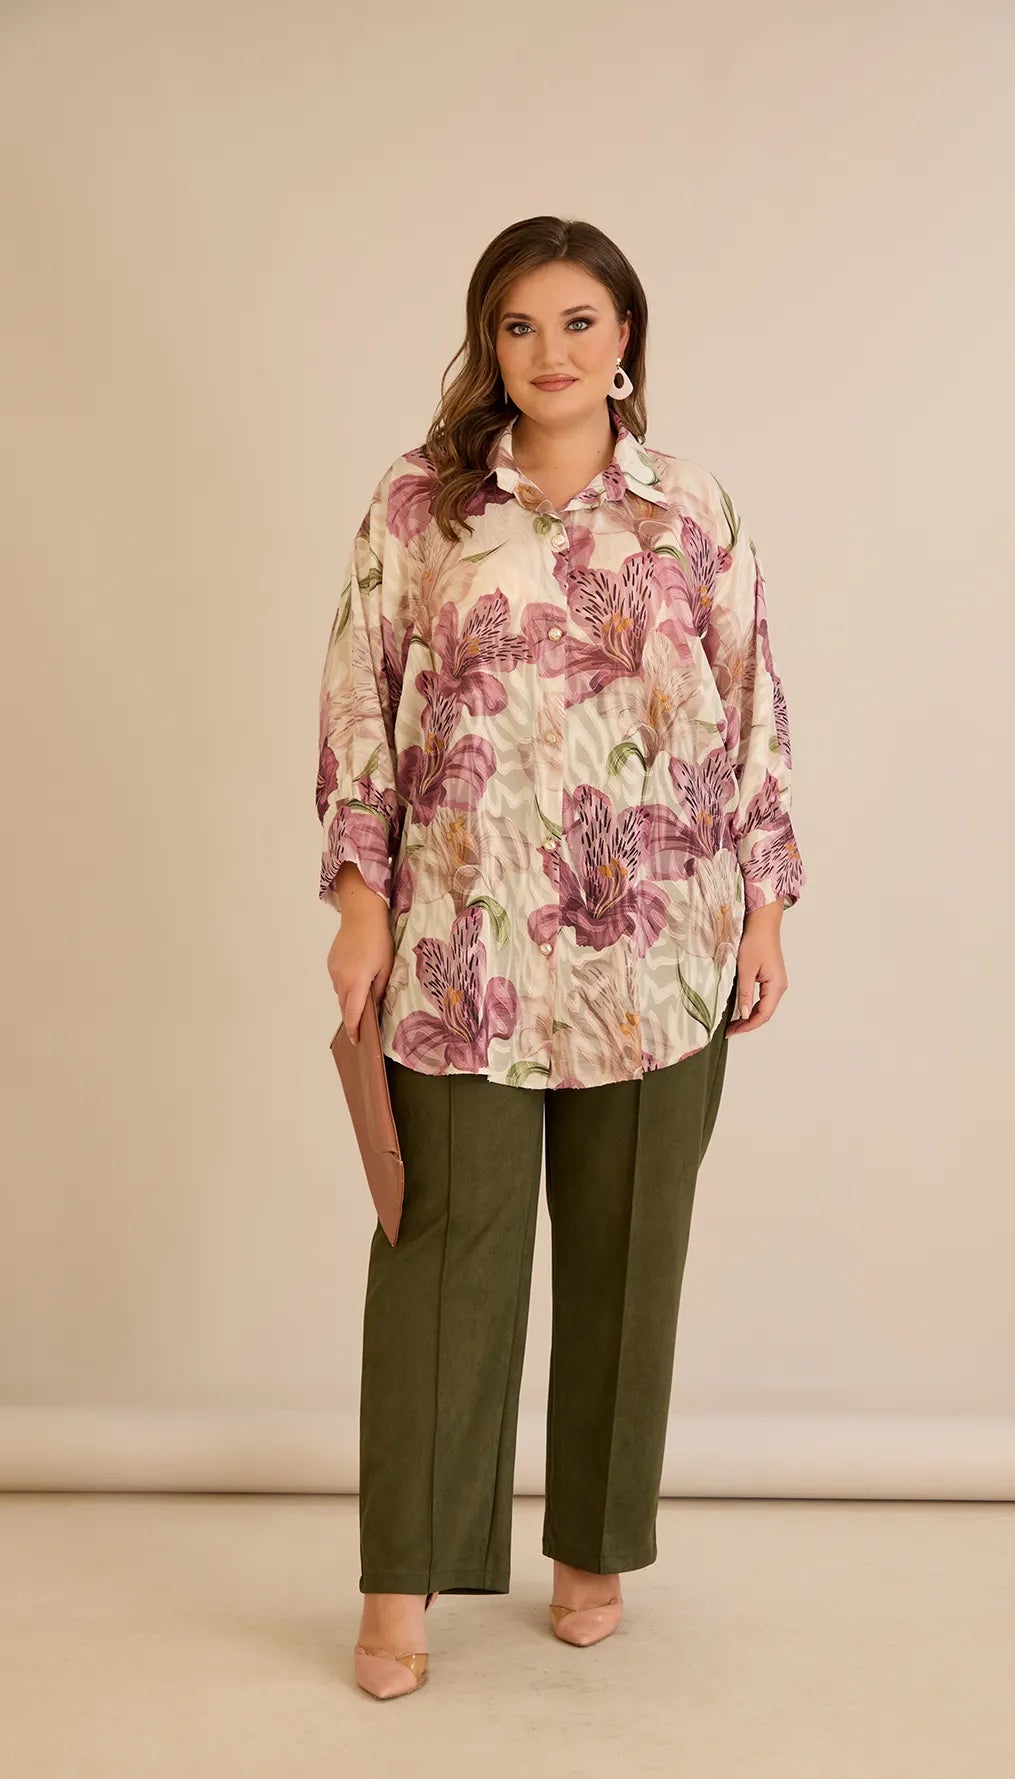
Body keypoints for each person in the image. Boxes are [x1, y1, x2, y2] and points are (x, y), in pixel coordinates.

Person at [315, 215, 807, 1701]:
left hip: (661, 952)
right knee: (437, 1259)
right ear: (490, 340)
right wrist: (358, 903)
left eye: (580, 322)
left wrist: (766, 907)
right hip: (462, 952)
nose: (551, 352)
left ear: (626, 338)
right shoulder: (422, 507)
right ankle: (399, 1579)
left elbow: (752, 704)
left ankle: (595, 1546)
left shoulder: (693, 508)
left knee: (627, 1257)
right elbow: (358, 702)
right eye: (522, 325)